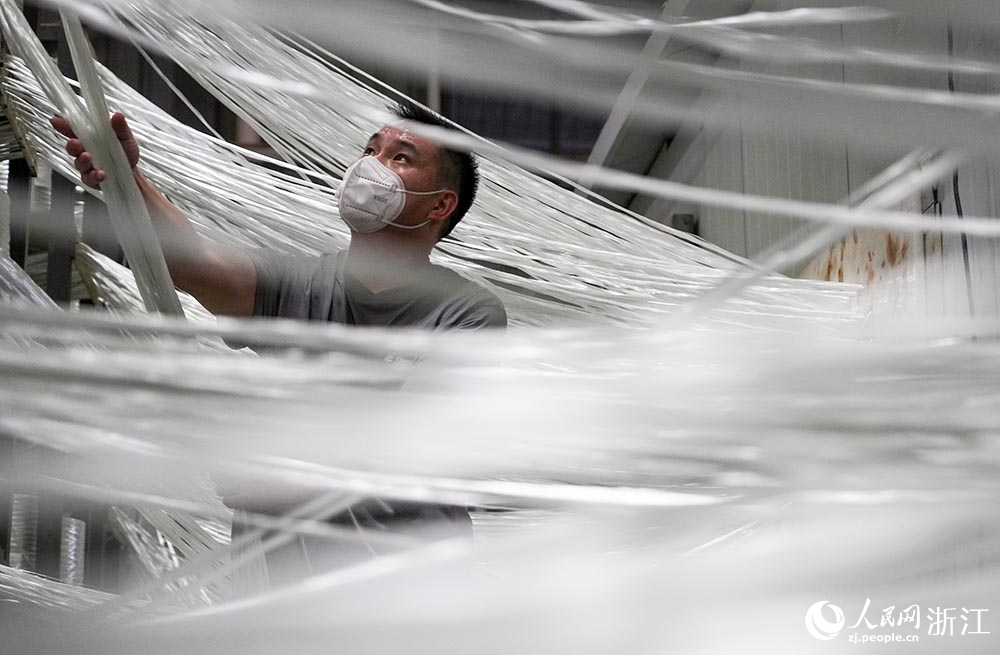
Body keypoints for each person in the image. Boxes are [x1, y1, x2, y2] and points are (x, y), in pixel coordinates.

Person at [51, 102, 506, 585]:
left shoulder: (466, 314)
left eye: (400, 157)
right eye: (370, 148)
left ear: (440, 205)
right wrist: (126, 179)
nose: (370, 165)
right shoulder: (300, 286)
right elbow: (194, 260)